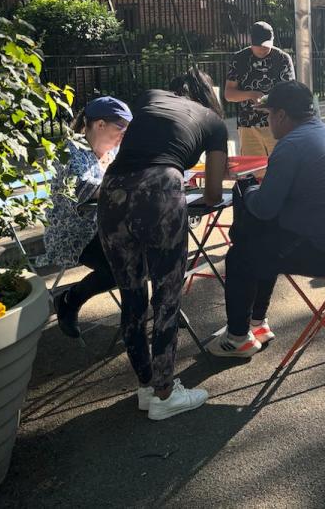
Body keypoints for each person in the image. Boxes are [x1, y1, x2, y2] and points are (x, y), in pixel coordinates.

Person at [97, 69, 228, 421]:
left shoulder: (150, 96)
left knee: (132, 295)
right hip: (161, 188)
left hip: (111, 190)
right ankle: (166, 392)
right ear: (209, 95)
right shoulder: (214, 122)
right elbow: (215, 192)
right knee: (167, 296)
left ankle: (146, 386)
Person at [210, 81, 325, 358]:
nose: (268, 121)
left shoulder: (290, 145)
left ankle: (237, 338)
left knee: (241, 256)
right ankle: (256, 323)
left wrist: (249, 189)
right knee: (261, 242)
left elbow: (265, 208)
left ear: (281, 115)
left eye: (269, 114)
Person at [47, 96, 132, 339]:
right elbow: (86, 189)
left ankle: (154, 310)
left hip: (107, 228)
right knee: (121, 267)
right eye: (121, 128)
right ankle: (69, 301)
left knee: (149, 252)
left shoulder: (114, 151)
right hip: (75, 234)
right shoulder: (70, 152)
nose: (124, 135)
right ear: (100, 124)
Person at [226, 21, 295, 156]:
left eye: (266, 46)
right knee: (254, 171)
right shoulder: (239, 59)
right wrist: (251, 94)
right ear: (251, 42)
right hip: (248, 125)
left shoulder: (282, 59)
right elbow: (229, 94)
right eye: (259, 46)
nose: (263, 49)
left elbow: (292, 92)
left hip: (277, 123)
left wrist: (270, 101)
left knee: (280, 165)